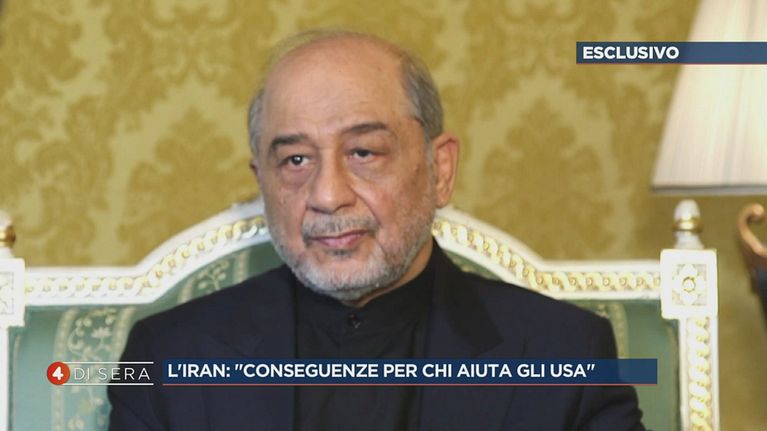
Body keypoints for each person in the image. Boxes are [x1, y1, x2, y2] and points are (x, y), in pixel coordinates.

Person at [108, 29, 645, 430]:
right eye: (295, 160)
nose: (326, 195)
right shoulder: (166, 357)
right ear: (262, 182)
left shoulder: (565, 353)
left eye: (363, 153)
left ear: (440, 170)